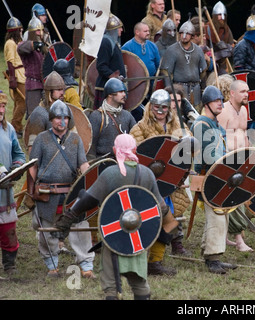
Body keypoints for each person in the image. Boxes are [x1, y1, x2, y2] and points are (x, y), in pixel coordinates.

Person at [54, 133, 168, 299]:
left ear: (115, 150)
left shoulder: (111, 174)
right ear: (135, 150)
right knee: (139, 281)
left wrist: (69, 217)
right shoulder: (148, 174)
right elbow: (161, 208)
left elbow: (88, 200)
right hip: (138, 236)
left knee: (111, 283)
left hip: (114, 235)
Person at [28, 100, 95, 278]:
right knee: (47, 230)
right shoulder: (42, 139)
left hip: (71, 193)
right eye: (58, 117)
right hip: (46, 193)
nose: (62, 121)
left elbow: (83, 164)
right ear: (51, 120)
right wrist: (31, 190)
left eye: (65, 117)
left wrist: (91, 182)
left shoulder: (75, 139)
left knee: (80, 228)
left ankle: (86, 265)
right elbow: (33, 166)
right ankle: (52, 265)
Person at [129, 89, 191, 275]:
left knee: (169, 223)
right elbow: (135, 158)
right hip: (147, 184)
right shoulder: (139, 129)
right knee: (144, 222)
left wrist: (189, 141)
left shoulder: (178, 126)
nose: (161, 111)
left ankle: (155, 262)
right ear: (151, 106)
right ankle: (137, 260)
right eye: (157, 107)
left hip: (170, 184)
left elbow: (189, 151)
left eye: (165, 107)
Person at [191, 85, 237, 274]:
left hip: (218, 174)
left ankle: (209, 251)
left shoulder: (215, 124)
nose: (221, 103)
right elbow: (209, 157)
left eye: (221, 100)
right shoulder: (202, 124)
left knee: (219, 214)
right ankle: (213, 258)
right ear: (206, 104)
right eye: (216, 100)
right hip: (208, 175)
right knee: (217, 214)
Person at [216, 80, 254, 252]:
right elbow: (218, 138)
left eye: (247, 91)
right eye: (242, 91)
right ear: (232, 93)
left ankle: (225, 237)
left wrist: (249, 153)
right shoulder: (223, 111)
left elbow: (244, 133)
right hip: (228, 162)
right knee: (234, 197)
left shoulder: (244, 109)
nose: (246, 94)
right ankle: (239, 240)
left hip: (242, 160)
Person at [0, 91, 26, 276]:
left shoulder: (8, 129)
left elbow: (18, 153)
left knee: (8, 231)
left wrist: (16, 167)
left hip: (4, 193)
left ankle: (9, 266)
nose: (1, 110)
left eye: (3, 106)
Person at [160, 19, 207, 111]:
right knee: (179, 116)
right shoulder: (172, 50)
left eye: (187, 34)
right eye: (182, 33)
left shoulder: (198, 50)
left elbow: (203, 72)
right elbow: (166, 74)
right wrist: (170, 93)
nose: (184, 36)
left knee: (195, 115)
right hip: (179, 90)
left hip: (195, 90)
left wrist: (203, 90)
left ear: (192, 36)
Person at [88, 78, 136, 161]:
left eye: (124, 92)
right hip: (102, 162)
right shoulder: (97, 116)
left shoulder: (127, 115)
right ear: (110, 94)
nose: (124, 94)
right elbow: (90, 145)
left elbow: (135, 138)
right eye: (120, 92)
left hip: (124, 161)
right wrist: (92, 165)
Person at [122, 22, 161, 121]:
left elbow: (158, 65)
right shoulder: (127, 47)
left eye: (148, 31)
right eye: (145, 31)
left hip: (151, 85)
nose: (148, 33)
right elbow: (124, 67)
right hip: (135, 86)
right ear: (137, 32)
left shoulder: (152, 46)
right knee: (137, 113)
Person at [26, 71, 66, 152]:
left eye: (62, 89)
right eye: (58, 90)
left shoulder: (66, 110)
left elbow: (75, 141)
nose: (62, 93)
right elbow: (33, 149)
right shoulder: (39, 114)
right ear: (49, 92)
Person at [93, 14, 126, 109]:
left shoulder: (114, 42)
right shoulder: (106, 42)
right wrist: (112, 75)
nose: (121, 30)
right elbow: (101, 65)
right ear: (114, 29)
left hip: (115, 88)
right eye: (119, 28)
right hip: (106, 88)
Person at [17, 16, 46, 118]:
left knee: (47, 116)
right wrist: (36, 44)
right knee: (34, 117)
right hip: (33, 86)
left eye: (42, 30)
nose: (40, 32)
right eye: (38, 30)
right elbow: (20, 48)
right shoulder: (26, 46)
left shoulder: (43, 47)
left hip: (45, 85)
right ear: (32, 32)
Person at [4, 17, 26, 138]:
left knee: (19, 102)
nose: (22, 31)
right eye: (20, 29)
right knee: (23, 103)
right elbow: (10, 62)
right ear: (16, 31)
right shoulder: (10, 44)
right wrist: (12, 78)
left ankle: (13, 128)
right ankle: (15, 126)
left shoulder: (16, 42)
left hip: (22, 75)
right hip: (17, 76)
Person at [205, 1, 234, 74]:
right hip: (210, 63)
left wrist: (225, 47)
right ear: (214, 16)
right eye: (219, 15)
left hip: (223, 64)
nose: (222, 17)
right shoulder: (207, 27)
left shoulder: (226, 29)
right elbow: (204, 47)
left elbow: (232, 46)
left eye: (224, 15)